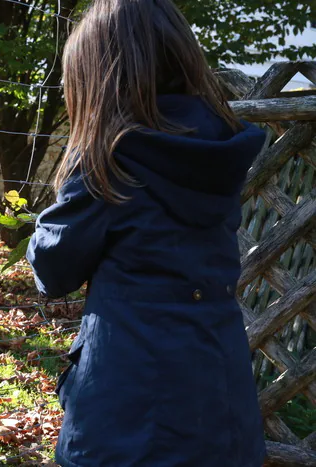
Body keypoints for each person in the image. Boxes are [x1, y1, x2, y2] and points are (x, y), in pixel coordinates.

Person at [25, 0, 267, 465]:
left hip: (127, 408)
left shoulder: (110, 157)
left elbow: (53, 270)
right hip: (219, 395)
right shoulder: (219, 141)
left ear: (99, 75)